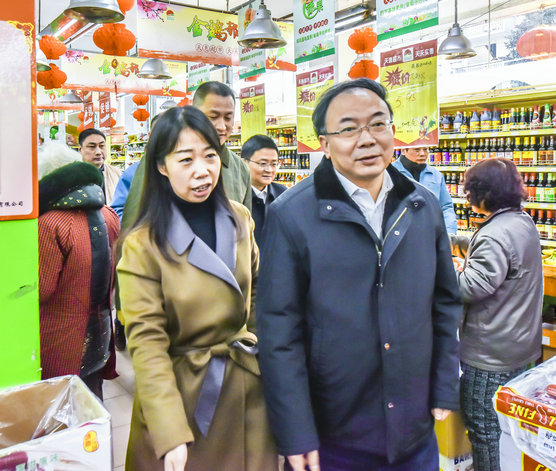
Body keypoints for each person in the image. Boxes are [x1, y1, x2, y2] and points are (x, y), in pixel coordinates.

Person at [256, 78, 462, 471]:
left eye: (378, 124)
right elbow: (279, 332)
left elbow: (445, 302)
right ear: (324, 143)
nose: (367, 139)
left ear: (393, 131)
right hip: (334, 436)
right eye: (349, 129)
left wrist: (444, 385)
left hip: (414, 432)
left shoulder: (422, 205)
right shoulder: (292, 216)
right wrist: (295, 430)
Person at [116, 106, 277, 471]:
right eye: (186, 159)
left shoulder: (240, 218)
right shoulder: (143, 244)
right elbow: (147, 342)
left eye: (210, 156)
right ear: (162, 166)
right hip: (183, 395)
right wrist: (169, 431)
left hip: (247, 388)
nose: (202, 170)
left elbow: (257, 301)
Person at [457, 158, 542, 471]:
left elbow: (470, 287)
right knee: (506, 429)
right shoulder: (522, 221)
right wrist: (454, 243)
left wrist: (443, 270)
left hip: (490, 354)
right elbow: (500, 259)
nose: (467, 197)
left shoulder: (494, 234)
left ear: (484, 193)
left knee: (484, 430)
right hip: (520, 345)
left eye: (470, 192)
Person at [37, 142, 120, 400]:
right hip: (102, 329)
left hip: (61, 338)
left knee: (61, 406)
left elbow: (41, 290)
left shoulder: (50, 224)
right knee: (93, 399)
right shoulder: (109, 215)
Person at [121, 81, 251, 233]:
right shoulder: (164, 158)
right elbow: (133, 220)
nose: (221, 126)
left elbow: (245, 230)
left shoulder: (240, 169)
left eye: (228, 118)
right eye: (213, 117)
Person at [391, 146, 457, 234]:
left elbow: (446, 207)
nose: (422, 154)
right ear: (403, 150)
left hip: (430, 234)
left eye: (425, 149)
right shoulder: (389, 174)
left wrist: (450, 232)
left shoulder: (436, 175)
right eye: (417, 150)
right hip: (399, 235)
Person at [111, 114, 161, 220]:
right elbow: (118, 211)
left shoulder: (187, 169)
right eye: (161, 132)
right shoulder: (132, 173)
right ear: (150, 135)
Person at [241, 134, 287, 246]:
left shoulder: (283, 194)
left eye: (274, 164)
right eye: (262, 163)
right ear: (244, 162)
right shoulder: (235, 195)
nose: (269, 170)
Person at [78, 128, 122, 205]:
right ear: (80, 149)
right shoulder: (71, 175)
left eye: (102, 146)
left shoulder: (116, 173)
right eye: (92, 146)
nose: (98, 152)